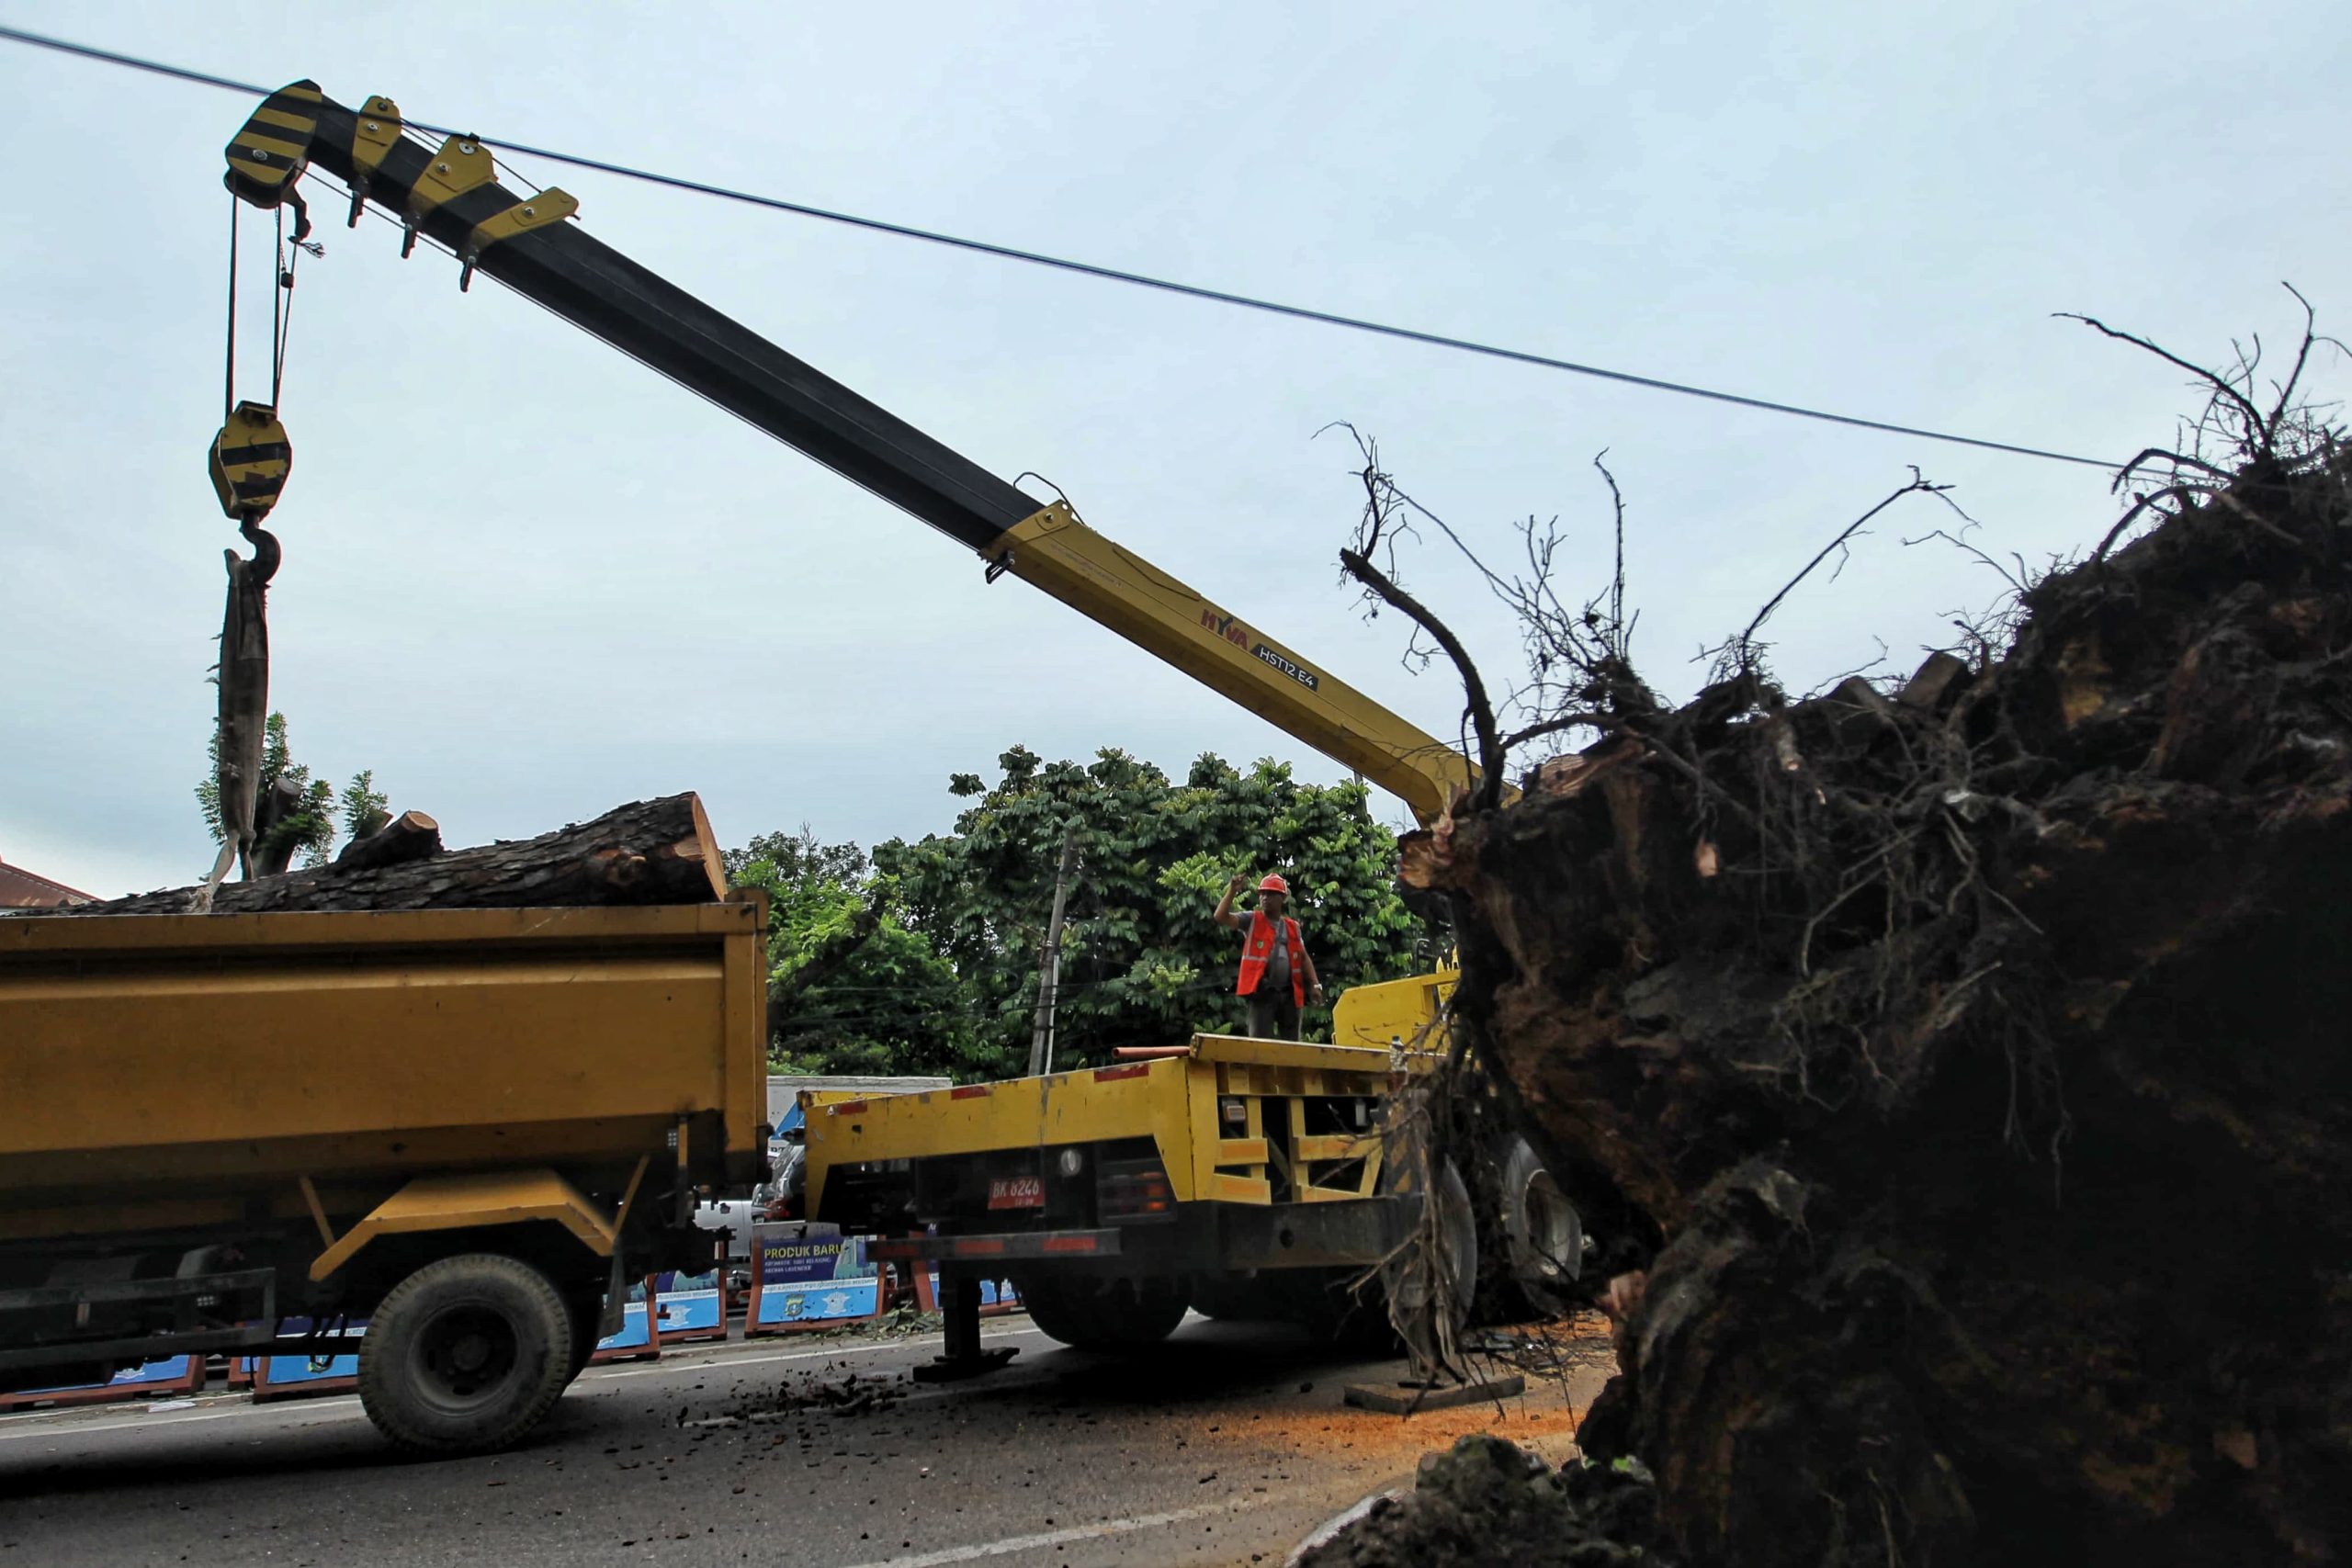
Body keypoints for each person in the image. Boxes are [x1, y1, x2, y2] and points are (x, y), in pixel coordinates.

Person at [1214, 873, 1324, 1040]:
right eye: (1262, 894)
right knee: (1260, 1044)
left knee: (1292, 1045)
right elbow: (1220, 917)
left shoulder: (1292, 926)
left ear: (1283, 898)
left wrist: (1315, 985)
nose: (1265, 898)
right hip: (1263, 993)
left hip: (1289, 994)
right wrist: (1232, 890)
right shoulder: (1252, 920)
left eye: (1270, 894)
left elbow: (1303, 957)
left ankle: (1287, 1067)